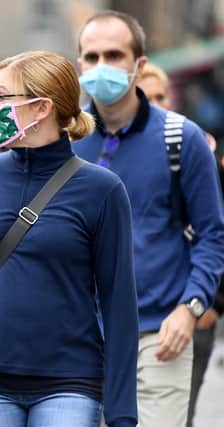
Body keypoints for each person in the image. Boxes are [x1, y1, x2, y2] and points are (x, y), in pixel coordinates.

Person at [0, 50, 139, 427]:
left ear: (42, 107)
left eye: (1, 97)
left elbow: (118, 302)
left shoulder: (103, 189)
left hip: (71, 378)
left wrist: (121, 406)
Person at [74, 10, 224, 427]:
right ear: (79, 64)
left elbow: (213, 234)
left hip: (159, 339)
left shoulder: (182, 138)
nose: (101, 66)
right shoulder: (67, 141)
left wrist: (190, 308)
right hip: (78, 341)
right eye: (91, 56)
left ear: (139, 64)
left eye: (114, 55)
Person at [136, 62, 224, 427]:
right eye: (147, 96)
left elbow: (215, 232)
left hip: (186, 314)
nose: (157, 104)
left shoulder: (194, 149)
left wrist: (208, 303)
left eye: (162, 96)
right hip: (116, 321)